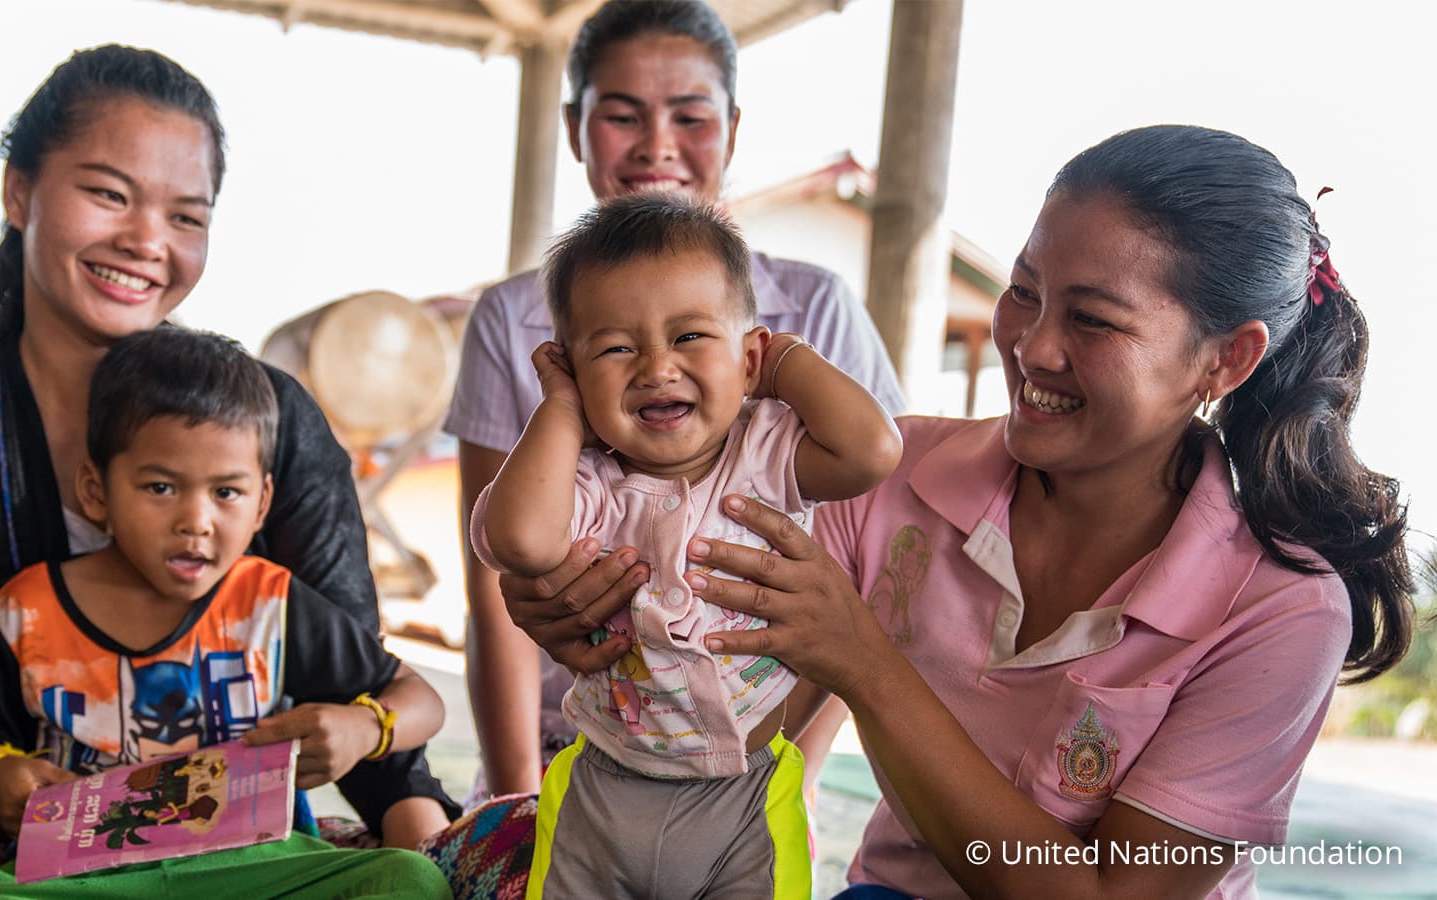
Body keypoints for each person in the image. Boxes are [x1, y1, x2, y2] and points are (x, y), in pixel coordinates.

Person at [502, 125, 1416, 899]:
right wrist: (564, 601)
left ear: (1226, 360)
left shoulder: (1280, 610)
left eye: (1093, 321)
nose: (1032, 344)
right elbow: (699, 616)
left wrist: (865, 660)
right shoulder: (897, 478)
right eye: (1023, 292)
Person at [0, 45, 454, 900]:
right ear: (18, 191)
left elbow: (345, 680)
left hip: (253, 861)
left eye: (186, 216)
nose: (145, 242)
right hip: (52, 866)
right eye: (108, 193)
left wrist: (421, 832)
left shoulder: (271, 423)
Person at [445, 0, 906, 805]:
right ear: (573, 127)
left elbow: (876, 558)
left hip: (757, 746)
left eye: (689, 116)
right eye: (621, 115)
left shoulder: (817, 310)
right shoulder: (512, 320)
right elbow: (495, 581)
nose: (656, 143)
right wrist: (516, 794)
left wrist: (785, 772)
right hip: (586, 736)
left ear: (731, 126)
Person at [470, 196, 901, 897]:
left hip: (744, 796)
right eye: (614, 348)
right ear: (574, 372)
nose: (656, 368)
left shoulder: (766, 450)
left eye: (691, 337)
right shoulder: (587, 483)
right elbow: (517, 540)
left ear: (748, 355)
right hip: (600, 792)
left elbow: (872, 450)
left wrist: (783, 360)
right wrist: (557, 408)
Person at [0, 327, 452, 897]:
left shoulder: (271, 604)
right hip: (86, 876)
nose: (197, 520)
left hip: (256, 871)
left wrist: (367, 728)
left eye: (226, 493)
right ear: (96, 490)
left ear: (263, 501)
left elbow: (421, 700)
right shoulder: (27, 610)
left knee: (407, 879)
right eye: (161, 487)